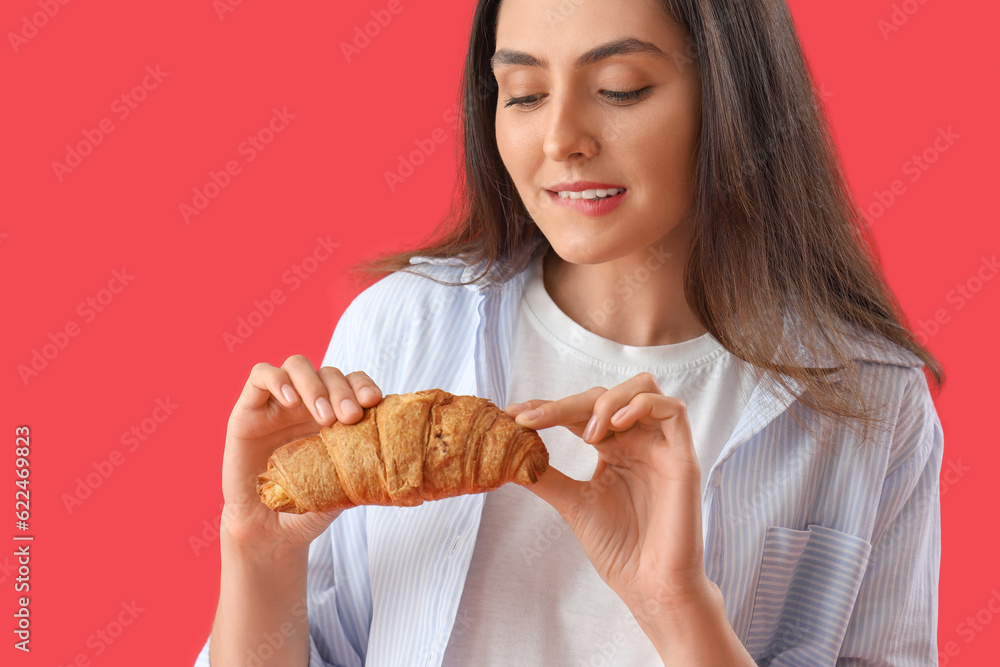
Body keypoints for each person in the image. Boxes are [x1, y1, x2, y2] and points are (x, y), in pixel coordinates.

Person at [194, 0, 945, 664]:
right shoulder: (401, 328)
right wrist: (258, 552)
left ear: (732, 96)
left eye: (620, 88)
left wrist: (677, 607)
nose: (561, 139)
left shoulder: (870, 400)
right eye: (523, 94)